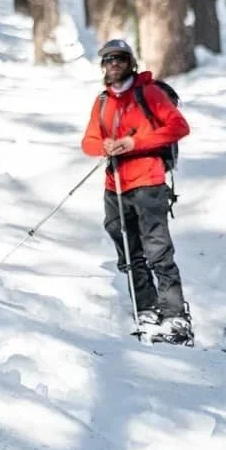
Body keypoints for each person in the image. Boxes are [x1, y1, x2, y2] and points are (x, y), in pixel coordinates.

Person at [81, 39, 192, 345]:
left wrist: (134, 143)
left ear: (131, 62)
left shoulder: (149, 93)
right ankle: (146, 307)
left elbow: (178, 127)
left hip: (148, 181)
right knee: (128, 250)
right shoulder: (102, 101)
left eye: (118, 59)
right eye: (107, 60)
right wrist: (103, 145)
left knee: (157, 249)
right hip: (114, 184)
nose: (113, 64)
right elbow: (88, 141)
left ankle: (175, 314)